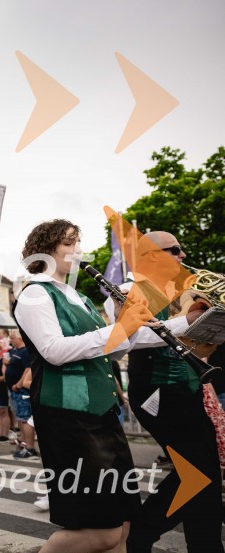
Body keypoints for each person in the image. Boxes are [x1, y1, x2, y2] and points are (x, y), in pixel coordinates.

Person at [14, 220, 201, 553]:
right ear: (46, 249)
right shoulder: (33, 294)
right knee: (102, 531)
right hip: (67, 415)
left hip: (101, 412)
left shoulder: (80, 297)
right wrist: (121, 326)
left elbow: (119, 345)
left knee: (124, 525)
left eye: (78, 242)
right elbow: (54, 351)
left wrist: (184, 321)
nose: (78, 251)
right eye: (70, 243)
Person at [102, 231, 223, 553]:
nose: (183, 256)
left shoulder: (183, 290)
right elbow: (124, 342)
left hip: (187, 390)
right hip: (158, 393)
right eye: (175, 250)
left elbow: (201, 345)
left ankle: (205, 545)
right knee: (197, 474)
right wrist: (187, 321)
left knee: (205, 476)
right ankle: (141, 535)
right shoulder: (128, 290)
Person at [7, 331, 37, 459]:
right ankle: (25, 444)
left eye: (12, 338)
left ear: (19, 338)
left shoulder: (25, 352)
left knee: (25, 420)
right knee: (21, 418)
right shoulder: (16, 351)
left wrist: (18, 385)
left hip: (22, 390)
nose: (11, 340)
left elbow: (27, 369)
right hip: (16, 390)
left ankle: (30, 448)